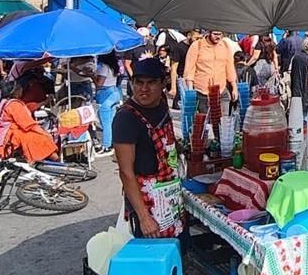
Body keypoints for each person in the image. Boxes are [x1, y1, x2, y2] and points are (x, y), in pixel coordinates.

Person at [113, 57, 184, 239]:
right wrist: (144, 217)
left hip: (170, 195)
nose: (144, 89)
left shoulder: (161, 105)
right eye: (139, 83)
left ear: (163, 83)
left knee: (176, 249)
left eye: (151, 82)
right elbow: (126, 172)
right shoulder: (126, 118)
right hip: (147, 202)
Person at [0, 72, 57, 164]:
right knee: (41, 138)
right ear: (16, 92)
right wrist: (44, 133)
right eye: (19, 89)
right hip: (12, 135)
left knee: (38, 135)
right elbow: (28, 124)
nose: (22, 90)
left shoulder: (4, 102)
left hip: (5, 133)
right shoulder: (14, 105)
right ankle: (55, 159)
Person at [183, 30, 237, 113]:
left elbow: (229, 67)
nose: (218, 37)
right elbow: (189, 69)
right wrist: (190, 91)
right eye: (215, 34)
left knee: (223, 122)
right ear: (208, 33)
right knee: (205, 123)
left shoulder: (225, 45)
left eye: (220, 34)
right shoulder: (197, 45)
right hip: (202, 91)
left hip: (221, 90)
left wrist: (234, 87)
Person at [94, 52, 122, 156]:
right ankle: (111, 143)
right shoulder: (113, 66)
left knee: (105, 122)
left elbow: (99, 84)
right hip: (114, 92)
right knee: (111, 121)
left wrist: (92, 76)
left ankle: (106, 146)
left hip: (106, 94)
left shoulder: (103, 67)